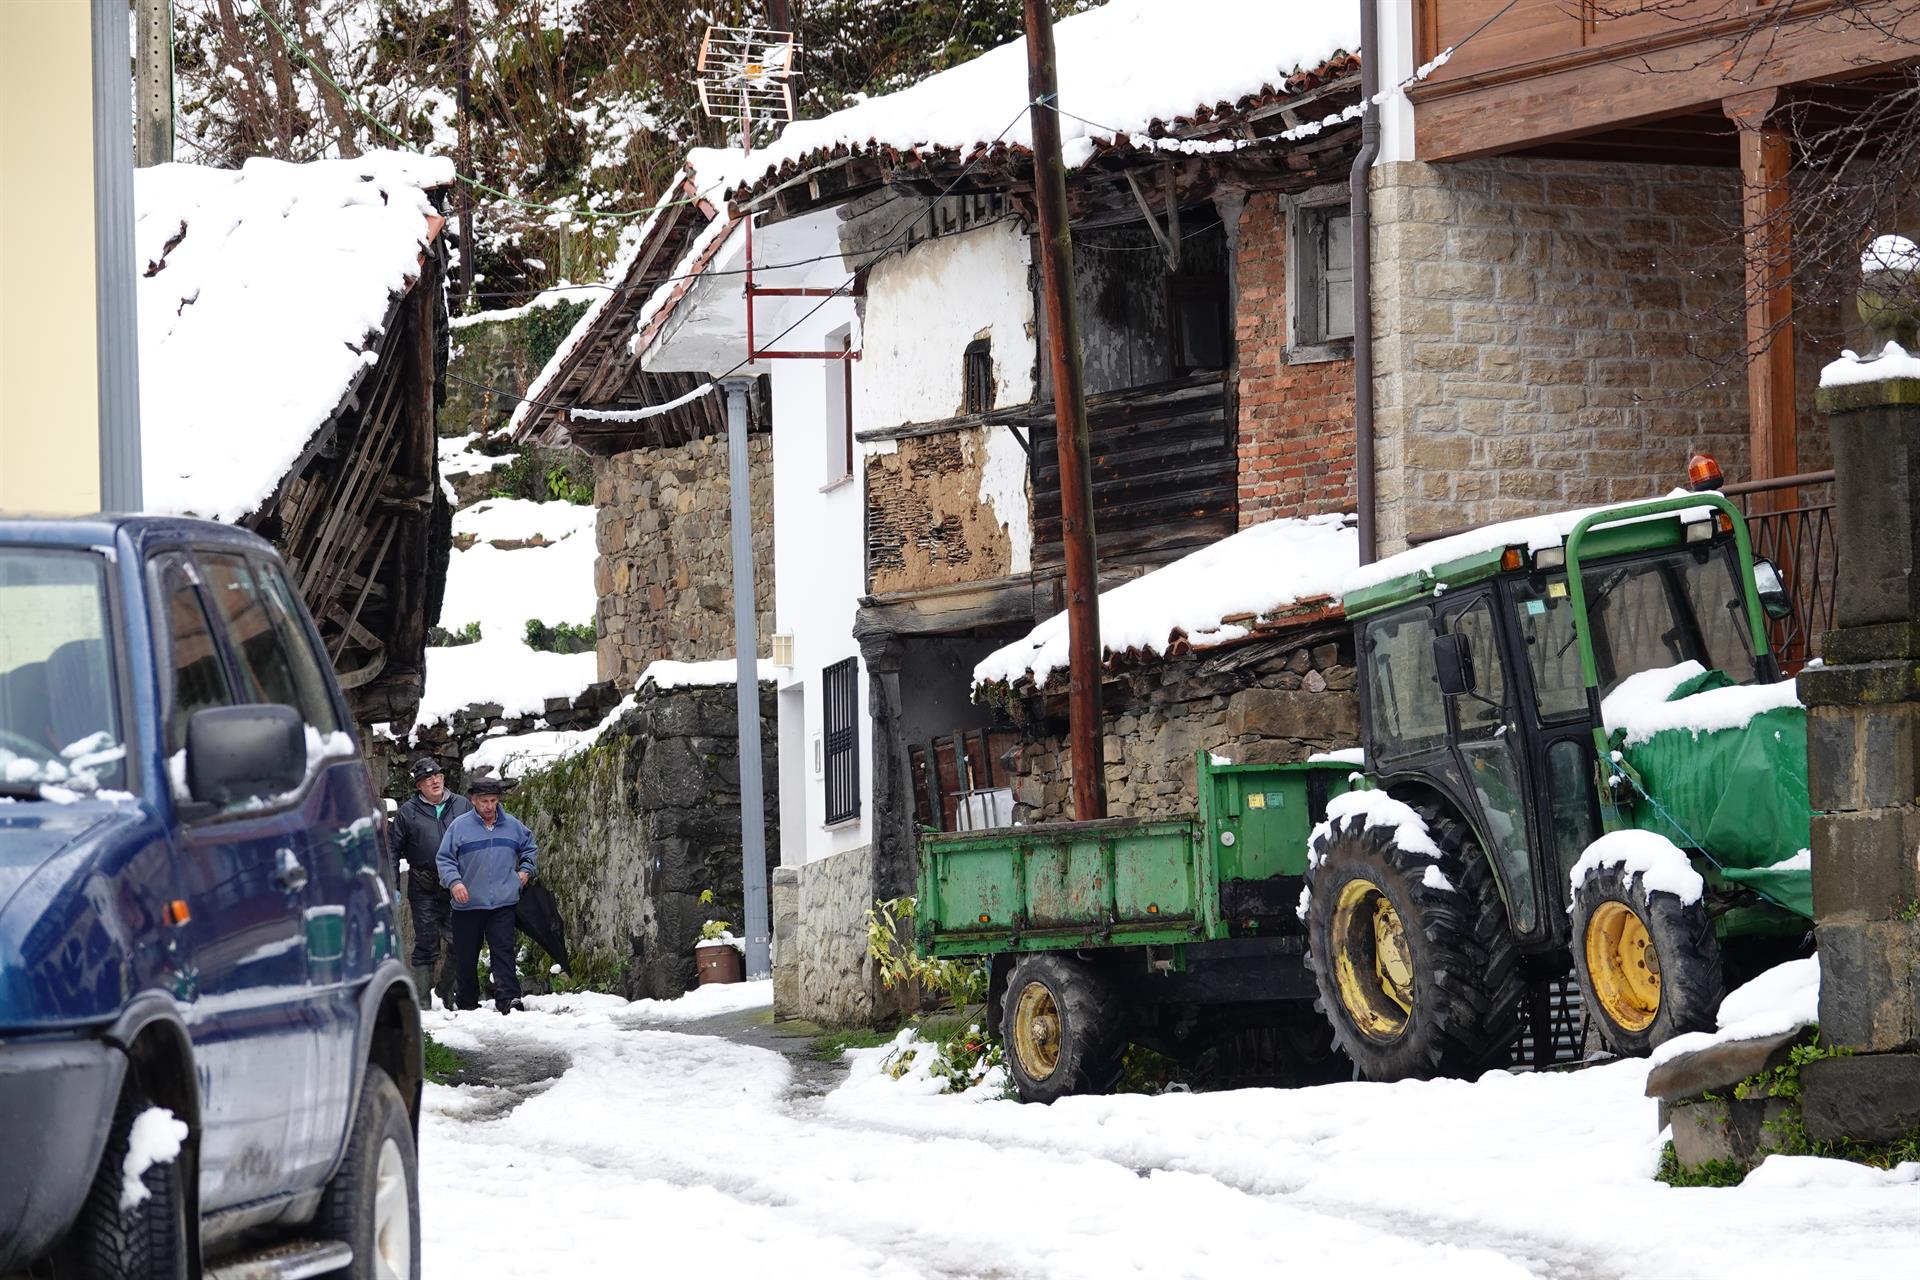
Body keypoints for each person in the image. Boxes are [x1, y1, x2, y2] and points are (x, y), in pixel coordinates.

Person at [436, 775, 538, 1014]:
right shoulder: (459, 827)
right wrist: (455, 883)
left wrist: (526, 870)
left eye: (493, 800)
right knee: (466, 955)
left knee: (503, 950)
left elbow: (529, 847)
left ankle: (509, 999)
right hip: (467, 904)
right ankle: (467, 1003)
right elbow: (444, 859)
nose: (490, 806)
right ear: (473, 800)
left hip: (503, 902)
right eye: (484, 801)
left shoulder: (512, 825)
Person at [388, 756, 471, 1010]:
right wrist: (393, 887)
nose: (434, 781)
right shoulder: (407, 813)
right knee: (425, 942)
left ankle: (445, 990)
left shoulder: (462, 805)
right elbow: (392, 850)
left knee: (462, 940)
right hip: (423, 884)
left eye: (437, 775)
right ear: (418, 786)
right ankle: (423, 1003)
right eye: (427, 778)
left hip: (456, 883)